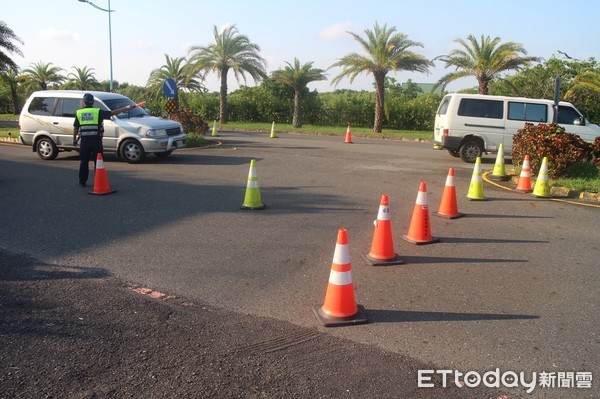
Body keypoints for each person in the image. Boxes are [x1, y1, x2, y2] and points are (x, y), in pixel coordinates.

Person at [73, 93, 135, 187]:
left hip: (84, 141)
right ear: (93, 101)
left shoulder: (79, 113)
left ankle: (82, 182)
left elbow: (76, 128)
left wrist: (74, 140)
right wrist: (126, 108)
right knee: (97, 162)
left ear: (84, 102)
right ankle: (97, 181)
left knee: (84, 162)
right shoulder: (98, 112)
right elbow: (113, 113)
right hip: (96, 141)